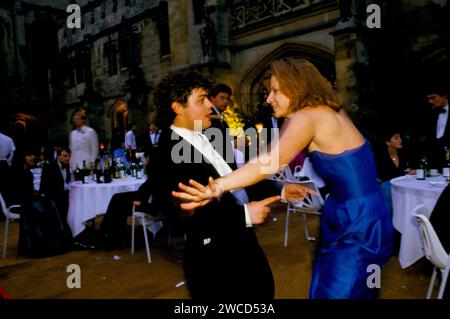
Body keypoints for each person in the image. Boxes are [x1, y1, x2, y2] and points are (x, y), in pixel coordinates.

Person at [173, 57, 394, 299]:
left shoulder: (308, 116)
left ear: (296, 87)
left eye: (275, 91)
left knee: (340, 290)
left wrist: (217, 186)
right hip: (349, 211)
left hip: (358, 220)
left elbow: (269, 162)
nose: (268, 99)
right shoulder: (327, 109)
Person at [149, 71, 278, 299]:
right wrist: (244, 215)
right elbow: (180, 215)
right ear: (178, 108)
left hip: (244, 245)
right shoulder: (166, 152)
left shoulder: (212, 134)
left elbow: (237, 178)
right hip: (215, 261)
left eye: (209, 98)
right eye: (201, 100)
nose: (211, 105)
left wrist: (281, 189)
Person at [414, 86, 449, 170]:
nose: (430, 101)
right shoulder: (428, 112)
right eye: (429, 98)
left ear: (444, 95)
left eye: (433, 97)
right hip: (433, 165)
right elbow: (417, 137)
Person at [40, 147, 72, 221]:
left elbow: (66, 182)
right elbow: (44, 187)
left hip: (64, 196)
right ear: (58, 156)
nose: (68, 158)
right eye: (65, 156)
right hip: (53, 199)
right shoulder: (49, 167)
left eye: (69, 156)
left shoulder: (67, 165)